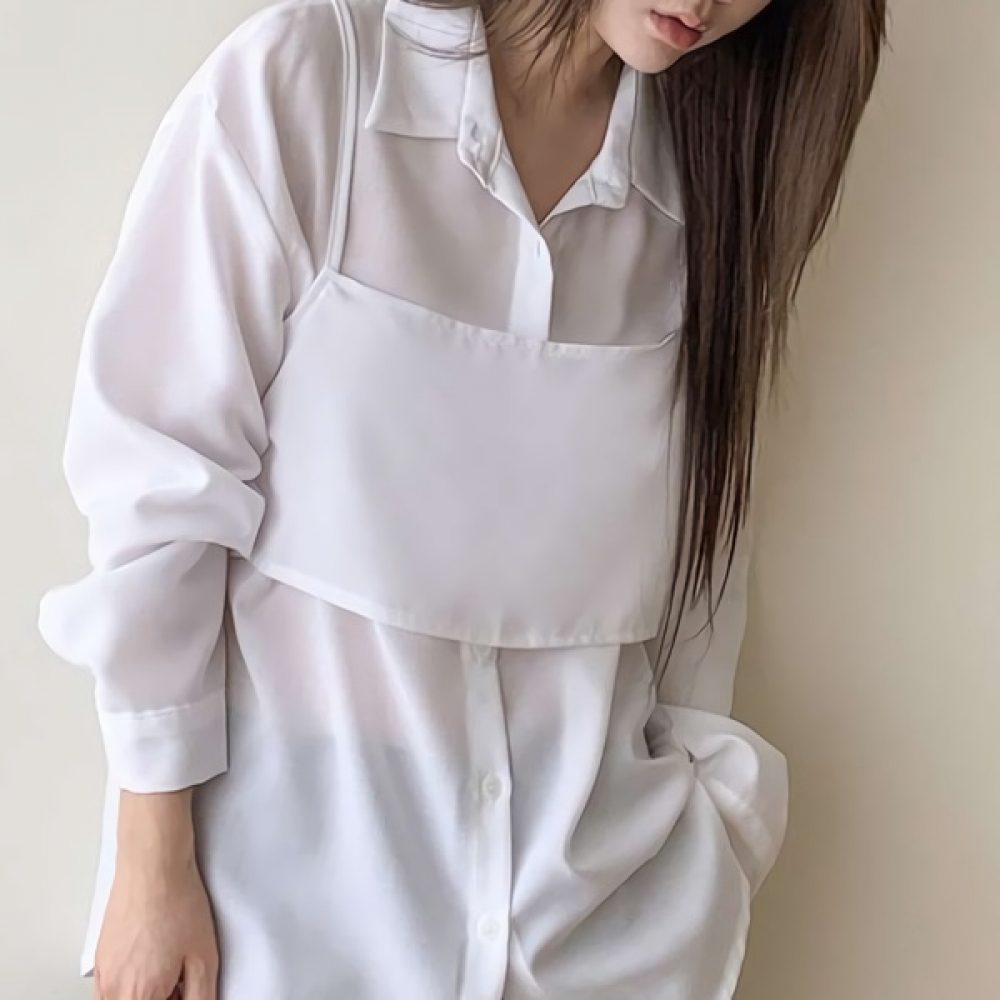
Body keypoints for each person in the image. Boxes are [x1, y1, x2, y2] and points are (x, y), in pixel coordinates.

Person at [39, 0, 887, 997]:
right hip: (276, 931)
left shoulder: (701, 197)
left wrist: (714, 855)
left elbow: (695, 594)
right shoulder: (315, 84)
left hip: (592, 953)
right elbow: (158, 480)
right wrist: (152, 863)